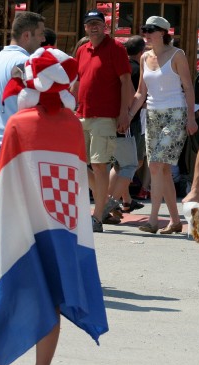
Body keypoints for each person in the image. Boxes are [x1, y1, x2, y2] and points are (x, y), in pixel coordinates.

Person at [0, 47, 108, 365]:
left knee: (6, 291)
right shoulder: (72, 125)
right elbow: (76, 181)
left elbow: (6, 181)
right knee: (52, 296)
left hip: (23, 225)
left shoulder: (19, 124)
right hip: (61, 226)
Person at [0, 11, 45, 276]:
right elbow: (34, 101)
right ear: (27, 34)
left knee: (17, 207)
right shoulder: (24, 61)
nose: (42, 40)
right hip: (18, 142)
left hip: (0, 140)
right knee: (24, 208)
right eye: (40, 35)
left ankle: (7, 259)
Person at [128, 16, 198, 234]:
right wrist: (128, 115)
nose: (146, 33)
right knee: (161, 169)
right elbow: (141, 92)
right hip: (152, 115)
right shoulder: (144, 57)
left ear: (164, 32)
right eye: (144, 30)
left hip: (175, 114)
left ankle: (152, 220)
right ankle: (175, 221)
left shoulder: (177, 55)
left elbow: (188, 86)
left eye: (151, 29)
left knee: (157, 165)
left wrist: (191, 117)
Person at [72, 10, 133, 233]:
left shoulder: (116, 48)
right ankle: (104, 202)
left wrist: (124, 113)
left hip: (105, 116)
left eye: (97, 23)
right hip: (82, 115)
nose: (93, 27)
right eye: (90, 24)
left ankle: (97, 216)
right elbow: (77, 83)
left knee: (99, 165)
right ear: (85, 28)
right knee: (78, 164)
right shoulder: (81, 50)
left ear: (104, 26)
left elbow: (126, 81)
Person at [109, 35, 147, 216]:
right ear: (141, 52)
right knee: (133, 163)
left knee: (119, 164)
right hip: (130, 120)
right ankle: (111, 203)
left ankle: (124, 201)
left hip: (115, 117)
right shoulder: (138, 70)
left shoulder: (121, 67)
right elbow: (138, 96)